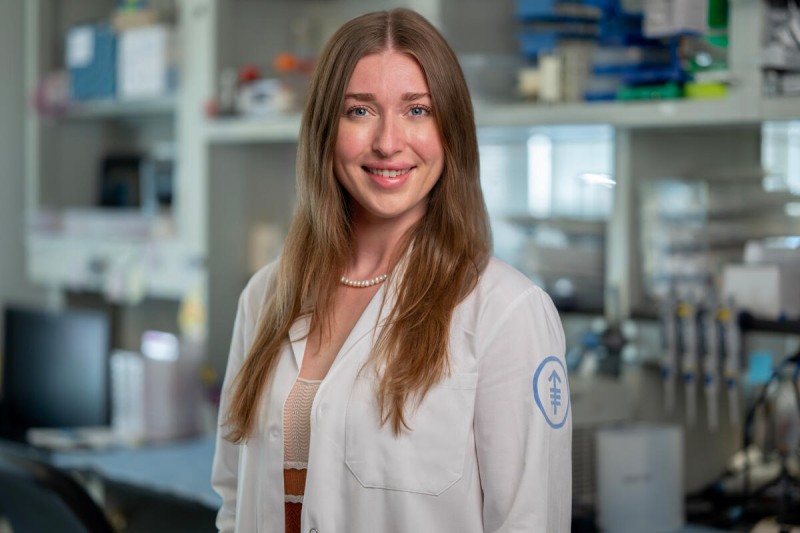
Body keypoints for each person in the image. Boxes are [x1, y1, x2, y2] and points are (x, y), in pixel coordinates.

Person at [212, 8, 572, 533]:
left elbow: (528, 522)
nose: (387, 141)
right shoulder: (267, 295)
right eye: (359, 111)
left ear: (451, 130)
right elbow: (232, 498)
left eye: (417, 110)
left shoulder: (506, 312)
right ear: (324, 129)